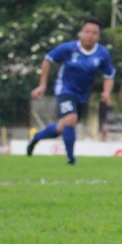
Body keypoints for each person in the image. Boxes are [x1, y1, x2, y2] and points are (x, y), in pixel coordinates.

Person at [27, 17, 115, 165]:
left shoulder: (102, 53)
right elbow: (47, 59)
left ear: (98, 36)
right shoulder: (68, 48)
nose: (90, 35)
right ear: (81, 33)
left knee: (64, 126)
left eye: (94, 33)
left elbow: (109, 75)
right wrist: (42, 85)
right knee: (71, 118)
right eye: (87, 31)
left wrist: (107, 92)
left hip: (83, 95)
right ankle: (70, 159)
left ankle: (36, 137)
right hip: (64, 89)